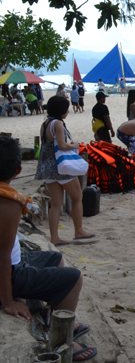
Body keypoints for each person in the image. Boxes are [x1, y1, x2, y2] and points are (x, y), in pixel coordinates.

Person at [1, 137, 98, 361]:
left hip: (15, 263)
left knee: (55, 257)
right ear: (17, 170)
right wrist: (8, 301)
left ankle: (60, 318)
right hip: (10, 272)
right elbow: (2, 256)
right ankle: (61, 340)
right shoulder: (7, 203)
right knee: (74, 277)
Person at [35, 96, 95, 246]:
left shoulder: (45, 123)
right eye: (66, 108)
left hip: (47, 168)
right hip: (60, 167)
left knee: (56, 204)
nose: (68, 111)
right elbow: (62, 146)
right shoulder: (58, 124)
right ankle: (79, 231)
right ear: (61, 110)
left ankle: (54, 237)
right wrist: (75, 146)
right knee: (77, 197)